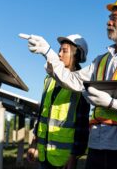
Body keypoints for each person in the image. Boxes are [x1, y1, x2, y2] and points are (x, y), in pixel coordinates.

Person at [23, 0, 117, 169]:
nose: (109, 22)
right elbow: (71, 80)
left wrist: (113, 103)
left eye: (115, 18)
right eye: (109, 18)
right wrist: (48, 52)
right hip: (96, 146)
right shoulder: (100, 60)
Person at [26, 34, 90, 169]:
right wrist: (34, 143)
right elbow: (42, 114)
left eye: (64, 51)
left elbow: (81, 125)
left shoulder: (81, 84)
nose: (59, 54)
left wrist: (74, 156)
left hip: (64, 158)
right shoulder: (49, 80)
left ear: (76, 55)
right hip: (43, 154)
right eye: (59, 50)